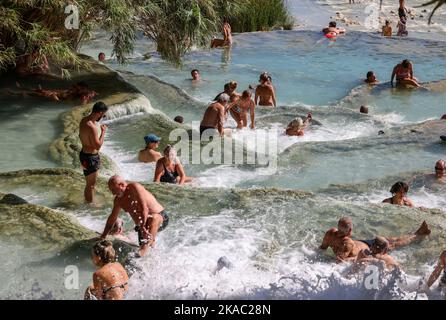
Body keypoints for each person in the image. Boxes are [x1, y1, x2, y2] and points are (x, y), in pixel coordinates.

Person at [101, 175, 169, 257]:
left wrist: (143, 228)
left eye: (114, 189)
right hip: (142, 226)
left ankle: (144, 248)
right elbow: (112, 218)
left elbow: (145, 209)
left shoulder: (134, 187)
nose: (113, 193)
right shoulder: (118, 200)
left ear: (121, 185)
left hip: (160, 217)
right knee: (147, 249)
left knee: (153, 218)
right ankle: (151, 252)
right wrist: (103, 236)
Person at [319, 217, 431, 262]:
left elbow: (322, 248)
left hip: (363, 243)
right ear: (350, 231)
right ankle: (418, 234)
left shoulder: (330, 233)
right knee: (393, 244)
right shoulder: (347, 243)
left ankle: (417, 233)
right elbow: (340, 261)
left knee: (392, 240)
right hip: (369, 248)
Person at [79, 102, 108, 203]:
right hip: (91, 158)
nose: (103, 116)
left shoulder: (84, 120)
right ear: (99, 112)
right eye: (103, 114)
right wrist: (103, 131)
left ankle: (88, 200)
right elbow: (98, 146)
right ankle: (89, 205)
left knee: (89, 184)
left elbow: (81, 136)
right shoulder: (92, 127)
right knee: (91, 185)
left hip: (84, 155)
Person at [32, 82, 98, 104]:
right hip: (57, 94)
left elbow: (82, 104)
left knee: (46, 93)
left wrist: (56, 100)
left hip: (56, 96)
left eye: (75, 87)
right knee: (43, 92)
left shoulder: (85, 94)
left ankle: (35, 92)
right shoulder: (74, 92)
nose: (73, 87)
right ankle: (36, 92)